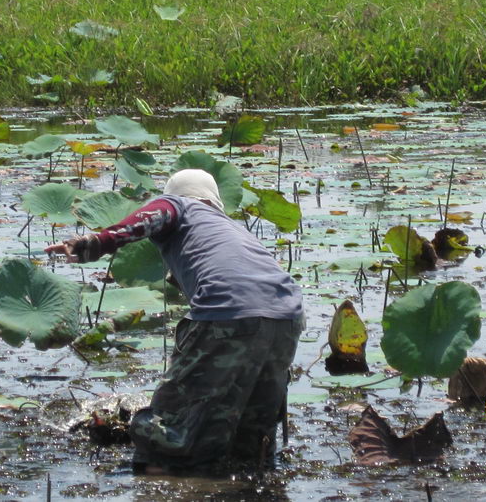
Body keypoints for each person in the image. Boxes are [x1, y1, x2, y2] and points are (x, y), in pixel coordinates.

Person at [45, 168, 304, 473]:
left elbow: (151, 218)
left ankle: (166, 479)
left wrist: (95, 243)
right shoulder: (230, 229)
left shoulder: (178, 206)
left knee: (171, 427)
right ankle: (251, 484)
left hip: (229, 311)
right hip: (287, 314)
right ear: (215, 202)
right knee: (251, 435)